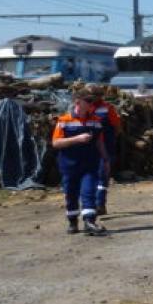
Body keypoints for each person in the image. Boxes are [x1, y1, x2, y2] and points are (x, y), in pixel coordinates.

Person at [52, 91, 109, 235]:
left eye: (92, 101)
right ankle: (72, 222)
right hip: (69, 165)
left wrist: (106, 159)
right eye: (88, 101)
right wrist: (77, 139)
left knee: (88, 192)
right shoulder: (64, 120)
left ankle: (89, 222)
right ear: (78, 102)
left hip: (90, 164)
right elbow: (56, 143)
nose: (91, 104)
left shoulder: (95, 120)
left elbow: (99, 142)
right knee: (71, 194)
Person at [87, 85, 122, 216]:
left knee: (102, 174)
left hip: (106, 147)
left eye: (93, 95)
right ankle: (90, 204)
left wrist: (110, 139)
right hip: (88, 148)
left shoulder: (108, 108)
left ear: (99, 96)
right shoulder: (83, 108)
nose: (90, 98)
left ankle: (100, 204)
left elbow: (117, 127)